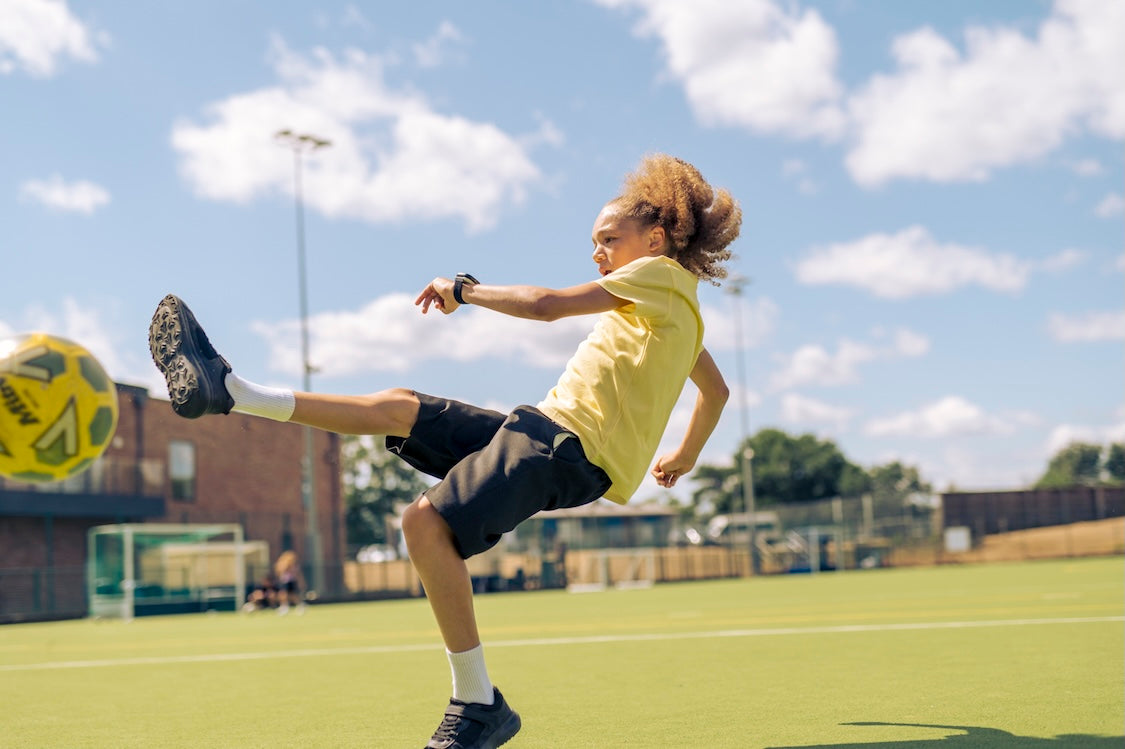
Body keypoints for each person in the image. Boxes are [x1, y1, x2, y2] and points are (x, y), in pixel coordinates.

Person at [148, 153, 740, 749]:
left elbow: (546, 306)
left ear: (657, 239)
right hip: (544, 432)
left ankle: (477, 702)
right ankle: (234, 393)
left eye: (609, 239)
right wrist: (683, 456)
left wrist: (465, 290)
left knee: (423, 524)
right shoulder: (677, 315)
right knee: (398, 406)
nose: (597, 253)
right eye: (594, 242)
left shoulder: (660, 278)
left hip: (565, 448)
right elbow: (715, 393)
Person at [274, 550, 304, 614]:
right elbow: (279, 571)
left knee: (292, 595)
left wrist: (301, 582)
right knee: (282, 594)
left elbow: (297, 574)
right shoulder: (282, 564)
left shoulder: (293, 565)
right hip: (284, 581)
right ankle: (284, 606)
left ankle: (300, 605)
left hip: (291, 581)